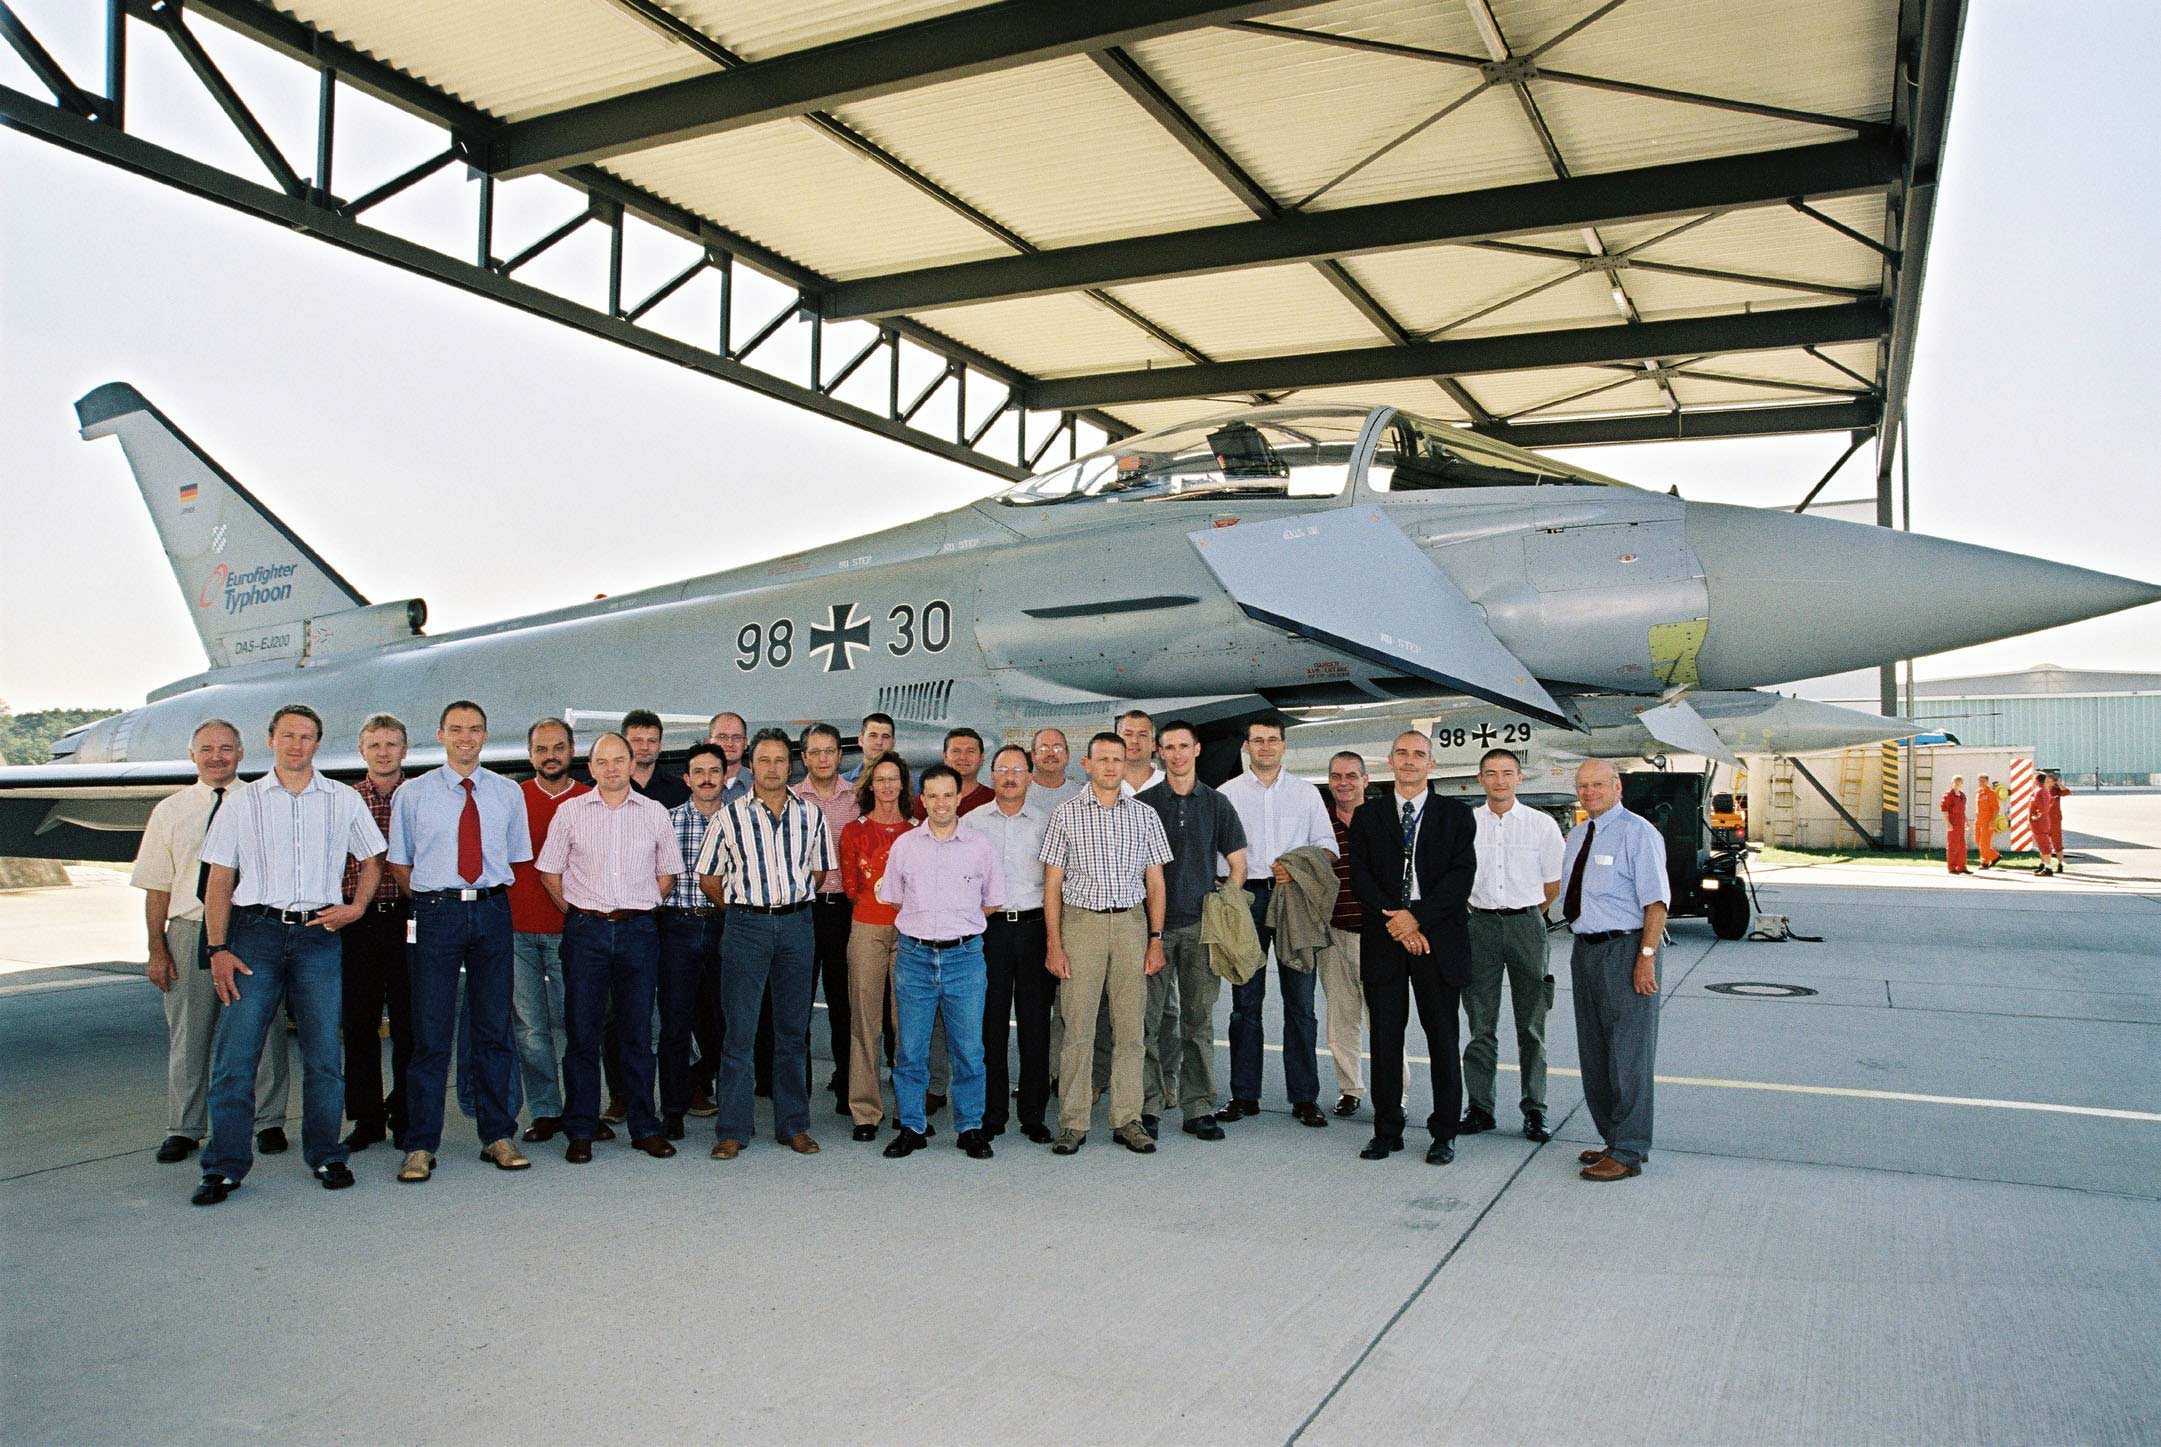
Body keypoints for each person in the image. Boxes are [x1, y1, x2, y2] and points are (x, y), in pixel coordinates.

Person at [193, 704, 385, 1205]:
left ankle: (326, 1154)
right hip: (254, 934)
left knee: (323, 1056)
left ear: (318, 743)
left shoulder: (342, 799)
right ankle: (225, 1166)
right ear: (270, 740)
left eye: (306, 737)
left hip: (318, 936)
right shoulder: (242, 802)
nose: (296, 745)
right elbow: (219, 879)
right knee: (237, 1056)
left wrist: (357, 907)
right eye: (287, 736)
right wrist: (217, 948)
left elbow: (372, 858)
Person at [386, 700, 534, 1182]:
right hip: (436, 914)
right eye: (456, 729)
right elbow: (400, 863)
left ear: (485, 736)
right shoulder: (413, 794)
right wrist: (436, 901)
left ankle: (498, 1135)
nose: (465, 738)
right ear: (441, 735)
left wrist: (475, 899)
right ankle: (420, 1144)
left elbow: (515, 857)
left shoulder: (507, 793)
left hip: (491, 910)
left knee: (493, 1028)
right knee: (430, 1033)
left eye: (474, 730)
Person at [132, 718, 290, 1167]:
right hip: (189, 928)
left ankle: (269, 1120)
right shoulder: (170, 811)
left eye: (225, 748)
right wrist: (157, 948)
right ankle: (184, 1127)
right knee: (190, 1032)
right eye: (206, 749)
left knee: (266, 1027)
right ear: (192, 756)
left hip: (251, 928)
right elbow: (157, 887)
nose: (216, 757)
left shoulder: (266, 802)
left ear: (241, 753)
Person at [534, 732, 683, 1163]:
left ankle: (644, 1127)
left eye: (620, 760)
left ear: (632, 764)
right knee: (582, 1034)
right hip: (586, 934)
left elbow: (667, 875)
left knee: (637, 1033)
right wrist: (583, 913)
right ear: (591, 767)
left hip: (638, 934)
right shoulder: (570, 812)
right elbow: (549, 873)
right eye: (603, 761)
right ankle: (581, 1129)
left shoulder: (654, 813)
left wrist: (633, 908)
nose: (612, 768)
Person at [695, 728, 838, 1161]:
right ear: (750, 765)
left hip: (797, 926)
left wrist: (785, 902)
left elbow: (817, 873)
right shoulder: (728, 817)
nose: (772, 768)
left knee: (792, 1032)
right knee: (739, 1033)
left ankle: (793, 1125)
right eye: (763, 760)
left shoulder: (811, 815)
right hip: (746, 928)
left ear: (790, 765)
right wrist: (746, 909)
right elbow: (709, 878)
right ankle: (733, 1129)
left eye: (779, 760)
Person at [1346, 732, 1477, 1166]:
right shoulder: (1368, 816)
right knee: (1385, 1038)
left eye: (1419, 754)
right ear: (1390, 760)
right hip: (1385, 939)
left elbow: (1460, 878)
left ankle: (1444, 1133)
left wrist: (1416, 918)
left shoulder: (1457, 815)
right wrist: (1400, 924)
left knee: (1443, 1038)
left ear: (1431, 765)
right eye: (1401, 753)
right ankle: (1387, 1130)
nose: (1409, 760)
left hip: (1437, 940)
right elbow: (1361, 877)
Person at [1039, 732, 1172, 1156]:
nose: (1111, 766)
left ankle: (1128, 1119)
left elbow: (1156, 882)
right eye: (1103, 759)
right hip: (1082, 926)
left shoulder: (1145, 815)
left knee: (1131, 1029)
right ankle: (1073, 1122)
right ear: (1087, 764)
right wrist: (1054, 944)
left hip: (1131, 925)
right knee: (1077, 1028)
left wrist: (1155, 938)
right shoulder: (1065, 814)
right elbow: (1052, 885)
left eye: (1118, 759)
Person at [877, 764, 1003, 1160]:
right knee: (910, 1050)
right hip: (914, 958)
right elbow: (894, 898)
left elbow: (992, 901)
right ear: (922, 799)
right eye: (932, 795)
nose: (941, 803)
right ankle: (912, 1127)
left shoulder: (980, 846)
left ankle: (970, 1128)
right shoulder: (905, 846)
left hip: (964, 959)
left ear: (959, 798)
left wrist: (956, 924)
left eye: (948, 795)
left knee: (968, 1050)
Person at [1216, 714, 1337, 1127]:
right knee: (1244, 1004)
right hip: (1246, 899)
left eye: (1272, 740)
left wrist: (1297, 865)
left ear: (1284, 746)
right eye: (1258, 740)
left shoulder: (1306, 793)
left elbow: (1327, 847)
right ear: (1246, 746)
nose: (1265, 747)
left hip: (1293, 900)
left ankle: (1304, 1097)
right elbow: (1215, 852)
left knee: (1301, 1003)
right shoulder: (1227, 794)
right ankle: (1243, 1095)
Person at [1560, 758, 1670, 1182]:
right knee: (1596, 1053)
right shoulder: (1577, 835)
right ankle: (1613, 1138)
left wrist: (1646, 956)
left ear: (1617, 786)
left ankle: (1629, 1150)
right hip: (1586, 950)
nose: (1589, 792)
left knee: (1629, 1056)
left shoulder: (1638, 833)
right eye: (1583, 786)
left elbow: (1656, 902)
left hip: (1627, 949)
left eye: (1598, 785)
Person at [1135, 721, 1246, 1140]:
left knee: (1198, 1023)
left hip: (1201, 931)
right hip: (1152, 931)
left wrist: (1222, 905)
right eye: (1169, 747)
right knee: (1146, 1023)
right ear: (1159, 752)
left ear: (1197, 749)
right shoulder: (1143, 805)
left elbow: (1238, 865)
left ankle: (1198, 1107)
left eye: (1184, 746)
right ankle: (1148, 1106)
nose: (1177, 754)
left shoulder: (1217, 804)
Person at [1461, 748, 1564, 1143]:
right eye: (1491, 773)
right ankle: (1480, 1107)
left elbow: (1552, 885)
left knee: (1532, 1025)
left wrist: (1525, 914)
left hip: (1527, 925)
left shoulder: (1541, 825)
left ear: (1520, 778)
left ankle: (1535, 1109)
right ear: (1480, 779)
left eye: (1507, 773)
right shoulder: (1467, 824)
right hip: (1480, 927)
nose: (1499, 781)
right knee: (1480, 1024)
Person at [962, 745, 1052, 1141]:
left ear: (1030, 777)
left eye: (1018, 770)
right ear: (991, 774)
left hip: (1035, 930)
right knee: (990, 1025)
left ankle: (1033, 1114)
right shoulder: (971, 822)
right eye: (1003, 769)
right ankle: (992, 1113)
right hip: (989, 932)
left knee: (1035, 1025)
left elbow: (1056, 883)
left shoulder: (1047, 822)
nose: (1010, 777)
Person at [509, 717, 585, 1142]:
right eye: (541, 749)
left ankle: (581, 1108)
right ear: (530, 754)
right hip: (517, 932)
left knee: (578, 1024)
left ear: (572, 751)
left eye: (558, 747)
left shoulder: (590, 798)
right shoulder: (512, 799)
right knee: (530, 1029)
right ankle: (546, 1111)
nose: (550, 756)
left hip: (571, 934)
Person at [338, 713, 411, 1152]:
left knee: (408, 1022)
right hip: (359, 920)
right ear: (361, 751)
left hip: (408, 917)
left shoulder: (419, 795)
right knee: (359, 1022)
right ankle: (366, 1119)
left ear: (405, 749)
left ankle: (405, 1112)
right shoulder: (344, 800)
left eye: (391, 744)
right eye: (374, 745)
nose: (383, 753)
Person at [657, 744, 729, 1139]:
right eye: (698, 771)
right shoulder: (665, 821)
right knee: (674, 1024)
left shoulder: (739, 820)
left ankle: (710, 1090)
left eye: (714, 771)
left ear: (725, 777)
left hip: (724, 926)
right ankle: (672, 1109)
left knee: (723, 1022)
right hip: (678, 926)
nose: (706, 778)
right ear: (686, 779)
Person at [839, 755, 914, 1140]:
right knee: (865, 1020)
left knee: (907, 1022)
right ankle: (865, 1111)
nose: (886, 786)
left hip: (910, 931)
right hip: (868, 927)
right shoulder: (854, 830)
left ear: (903, 784)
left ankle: (907, 1107)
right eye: (880, 779)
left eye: (893, 779)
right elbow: (851, 887)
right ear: (871, 785)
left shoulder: (917, 830)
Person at [794, 723, 861, 1114]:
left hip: (844, 911)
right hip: (802, 910)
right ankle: (796, 1091)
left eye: (829, 751)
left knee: (843, 1004)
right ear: (804, 757)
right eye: (815, 752)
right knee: (797, 1004)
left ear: (840, 755)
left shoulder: (856, 799)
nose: (822, 758)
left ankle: (847, 1088)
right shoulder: (789, 799)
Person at [1316, 751, 1369, 1118]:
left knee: (1385, 1020)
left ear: (1365, 780)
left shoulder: (1383, 819)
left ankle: (1395, 1092)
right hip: (1333, 936)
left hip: (1377, 938)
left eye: (1351, 775)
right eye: (1336, 776)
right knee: (1340, 1020)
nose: (1343, 783)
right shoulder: (1320, 824)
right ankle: (1349, 1089)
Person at [912, 727, 993, 818]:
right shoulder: (925, 802)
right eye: (956, 751)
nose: (963, 757)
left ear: (982, 757)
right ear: (945, 756)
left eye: (970, 751)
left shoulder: (994, 800)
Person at [623, 708, 689, 808]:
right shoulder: (604, 788)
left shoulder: (682, 790)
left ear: (660, 746)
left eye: (652, 741)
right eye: (637, 740)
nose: (644, 747)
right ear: (623, 744)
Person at [1030, 727, 1084, 813]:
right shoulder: (1017, 793)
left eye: (1058, 748)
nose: (1051, 753)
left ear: (1067, 755)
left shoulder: (1082, 795)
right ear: (1033, 756)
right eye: (1043, 748)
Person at [706, 712, 752, 805]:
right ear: (709, 741)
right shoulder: (694, 785)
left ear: (745, 743)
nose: (729, 743)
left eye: (737, 737)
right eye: (722, 737)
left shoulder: (760, 785)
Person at [1116, 709, 1166, 795]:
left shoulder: (1171, 784)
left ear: (1153, 744)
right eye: (1128, 734)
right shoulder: (1101, 786)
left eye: (1142, 735)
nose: (1135, 740)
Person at [842, 711, 896, 785]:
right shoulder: (842, 783)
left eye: (885, 736)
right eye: (873, 736)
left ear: (893, 743)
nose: (879, 742)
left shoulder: (908, 782)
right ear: (861, 740)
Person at [2032, 772, 2068, 875]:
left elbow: (2066, 792)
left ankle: (2060, 863)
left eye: (2050, 781)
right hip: (2043, 820)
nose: (2047, 783)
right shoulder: (2040, 791)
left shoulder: (2056, 790)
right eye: (2046, 781)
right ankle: (2043, 863)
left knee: (2057, 842)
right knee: (2043, 843)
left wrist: (2059, 783)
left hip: (2055, 820)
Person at [1939, 775, 1970, 875]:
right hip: (1953, 822)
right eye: (1955, 782)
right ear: (1952, 783)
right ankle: (1951, 867)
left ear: (1961, 783)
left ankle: (1962, 867)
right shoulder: (1949, 795)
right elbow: (1944, 809)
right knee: (1952, 845)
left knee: (1962, 846)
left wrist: (1966, 821)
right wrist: (1948, 823)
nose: (1957, 784)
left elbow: (1963, 811)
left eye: (1959, 782)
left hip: (1961, 822)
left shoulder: (1962, 795)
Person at [1974, 773, 2001, 870]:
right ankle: (1995, 856)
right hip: (1979, 820)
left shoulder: (1991, 793)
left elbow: (1996, 809)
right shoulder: (1978, 792)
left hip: (1988, 821)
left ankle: (1984, 863)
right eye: (1980, 781)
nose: (1981, 783)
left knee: (1984, 843)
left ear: (1987, 781)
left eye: (1983, 781)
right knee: (1977, 840)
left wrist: (1992, 821)